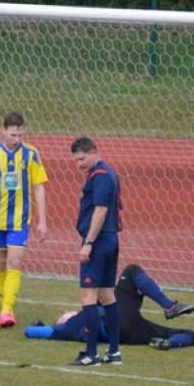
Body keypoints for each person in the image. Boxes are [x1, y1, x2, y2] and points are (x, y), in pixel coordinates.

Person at [0, 112, 48, 328]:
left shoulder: (31, 154)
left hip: (19, 220)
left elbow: (38, 186)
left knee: (15, 262)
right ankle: (4, 307)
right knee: (0, 263)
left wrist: (42, 220)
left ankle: (7, 311)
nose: (17, 139)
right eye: (13, 135)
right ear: (3, 131)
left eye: (20, 135)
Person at [24, 263, 194, 349]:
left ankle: (166, 343)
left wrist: (38, 327)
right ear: (63, 321)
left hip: (126, 333)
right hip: (117, 321)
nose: (65, 312)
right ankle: (169, 307)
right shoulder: (72, 324)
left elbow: (30, 332)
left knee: (191, 334)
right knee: (131, 271)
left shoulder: (71, 330)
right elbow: (32, 332)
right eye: (63, 314)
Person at [68, 136, 122, 366]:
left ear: (94, 152)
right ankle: (114, 352)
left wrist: (88, 242)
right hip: (110, 239)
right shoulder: (108, 172)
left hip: (98, 242)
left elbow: (100, 211)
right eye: (76, 160)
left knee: (88, 296)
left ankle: (91, 353)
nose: (79, 164)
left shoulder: (99, 176)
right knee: (106, 295)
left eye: (82, 158)